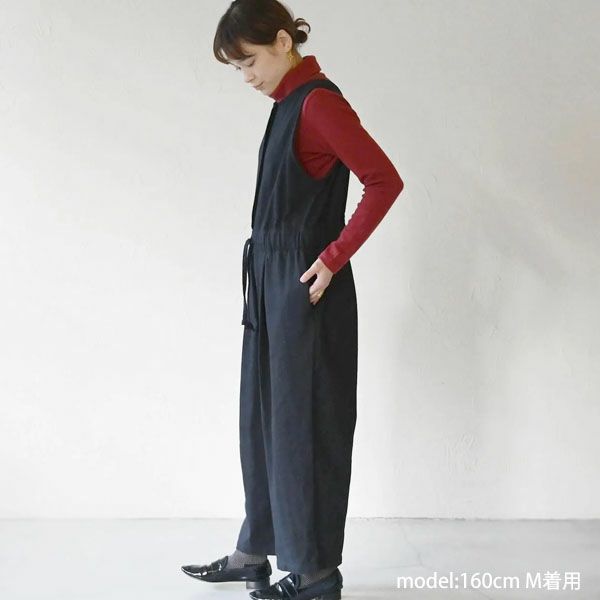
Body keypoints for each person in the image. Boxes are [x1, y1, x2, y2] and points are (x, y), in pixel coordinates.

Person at [181, 1, 404, 598]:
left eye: (250, 61)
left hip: (306, 286)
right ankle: (255, 550)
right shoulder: (287, 104)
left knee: (305, 424)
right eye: (237, 68)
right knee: (263, 419)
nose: (246, 76)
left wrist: (334, 256)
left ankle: (314, 573)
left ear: (284, 41)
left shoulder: (319, 104)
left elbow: (384, 181)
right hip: (270, 282)